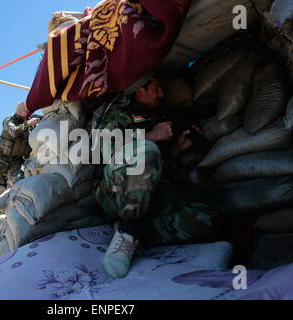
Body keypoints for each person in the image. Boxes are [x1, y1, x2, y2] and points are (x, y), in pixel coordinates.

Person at [93, 77, 221, 278]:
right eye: (156, 88)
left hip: (148, 198)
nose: (161, 94)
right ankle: (127, 233)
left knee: (207, 220)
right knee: (146, 149)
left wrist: (176, 149)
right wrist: (152, 136)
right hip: (114, 192)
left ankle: (139, 233)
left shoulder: (153, 117)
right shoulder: (116, 112)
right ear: (140, 92)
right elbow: (111, 152)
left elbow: (153, 170)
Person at [0, 102, 40, 215]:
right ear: (20, 112)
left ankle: (21, 209)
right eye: (27, 113)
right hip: (1, 158)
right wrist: (29, 123)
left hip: (16, 160)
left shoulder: (27, 124)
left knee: (19, 181)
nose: (29, 115)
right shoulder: (9, 121)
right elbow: (14, 132)